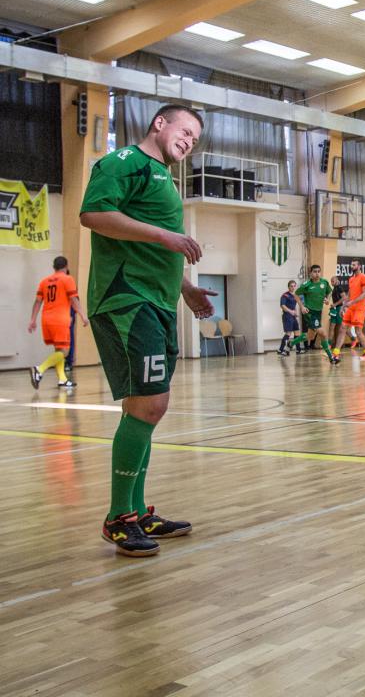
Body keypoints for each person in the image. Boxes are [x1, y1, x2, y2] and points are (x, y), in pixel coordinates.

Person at [80, 103, 217, 557]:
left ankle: (136, 511)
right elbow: (93, 214)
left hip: (157, 301)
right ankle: (119, 518)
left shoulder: (163, 178)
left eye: (195, 138)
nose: (189, 141)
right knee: (149, 404)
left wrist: (186, 288)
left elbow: (155, 252)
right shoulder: (125, 162)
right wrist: (164, 236)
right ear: (159, 123)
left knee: (148, 408)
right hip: (126, 300)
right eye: (185, 130)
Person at [28, 255, 88, 388]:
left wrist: (32, 319)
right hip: (60, 320)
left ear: (54, 267)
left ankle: (62, 379)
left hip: (46, 320)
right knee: (65, 351)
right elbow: (73, 300)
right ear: (66, 267)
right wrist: (83, 315)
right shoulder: (68, 279)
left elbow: (38, 301)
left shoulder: (44, 281)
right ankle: (39, 369)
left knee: (58, 349)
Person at [296, 264, 333, 361]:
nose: (317, 274)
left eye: (318, 271)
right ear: (310, 273)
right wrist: (302, 306)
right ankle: (331, 357)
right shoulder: (306, 285)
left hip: (318, 312)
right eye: (315, 272)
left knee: (310, 336)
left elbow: (329, 292)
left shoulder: (324, 282)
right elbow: (296, 294)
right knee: (323, 333)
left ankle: (290, 343)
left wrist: (328, 299)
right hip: (309, 312)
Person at [342, 259, 365, 360]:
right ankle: (336, 352)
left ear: (359, 266)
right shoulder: (351, 279)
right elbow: (349, 294)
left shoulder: (364, 277)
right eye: (351, 265)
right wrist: (344, 305)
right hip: (351, 308)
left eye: (354, 265)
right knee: (343, 328)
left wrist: (352, 302)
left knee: (358, 331)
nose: (352, 266)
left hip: (359, 308)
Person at [278, 280, 302, 356]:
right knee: (288, 333)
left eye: (294, 286)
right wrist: (290, 311)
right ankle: (281, 349)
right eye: (291, 286)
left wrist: (295, 313)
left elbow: (294, 306)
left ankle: (298, 349)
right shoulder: (285, 295)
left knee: (297, 332)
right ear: (288, 287)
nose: (293, 287)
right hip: (287, 316)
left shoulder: (295, 295)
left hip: (293, 316)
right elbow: (282, 306)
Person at [327, 275, 346, 363]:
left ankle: (353, 339)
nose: (332, 283)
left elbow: (344, 297)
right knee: (331, 327)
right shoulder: (334, 288)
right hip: (334, 309)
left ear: (337, 280)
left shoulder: (339, 288)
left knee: (342, 328)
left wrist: (335, 304)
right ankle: (329, 346)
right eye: (331, 281)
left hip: (339, 309)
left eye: (333, 281)